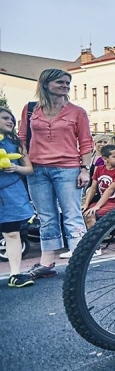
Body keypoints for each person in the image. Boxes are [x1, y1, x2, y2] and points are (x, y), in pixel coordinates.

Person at [18, 68, 94, 275]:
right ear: (46, 84)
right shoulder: (31, 109)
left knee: (72, 214)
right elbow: (22, 139)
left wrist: (85, 169)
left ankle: (79, 260)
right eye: (60, 82)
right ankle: (46, 263)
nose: (65, 86)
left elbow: (86, 143)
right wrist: (25, 164)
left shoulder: (77, 112)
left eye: (67, 83)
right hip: (37, 169)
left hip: (67, 168)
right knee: (46, 216)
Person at [1, 107, 35, 287]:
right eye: (5, 118)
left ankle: (15, 275)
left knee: (12, 233)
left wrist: (16, 168)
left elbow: (29, 168)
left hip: (11, 194)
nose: (10, 121)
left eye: (12, 119)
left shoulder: (16, 142)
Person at [82, 144, 115, 242]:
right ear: (105, 159)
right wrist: (86, 204)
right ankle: (99, 238)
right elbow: (93, 188)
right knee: (82, 212)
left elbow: (110, 190)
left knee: (90, 215)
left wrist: (97, 206)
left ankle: (93, 244)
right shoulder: (100, 169)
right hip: (105, 201)